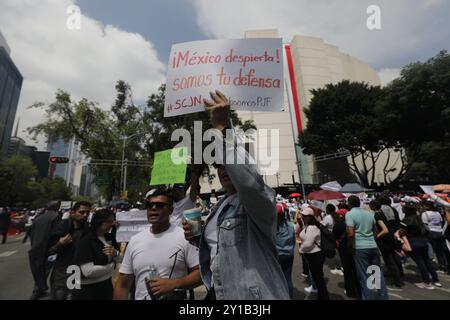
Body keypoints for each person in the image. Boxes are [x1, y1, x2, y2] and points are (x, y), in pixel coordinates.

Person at [182, 90, 290, 300]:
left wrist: (223, 126)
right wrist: (198, 236)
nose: (224, 169)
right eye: (219, 166)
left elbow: (248, 183)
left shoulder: (258, 199)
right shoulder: (220, 206)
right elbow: (221, 247)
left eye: (228, 164)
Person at [114, 188, 202, 300]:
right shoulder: (135, 240)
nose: (154, 208)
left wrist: (174, 284)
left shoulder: (185, 237)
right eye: (150, 205)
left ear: (171, 210)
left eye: (160, 205)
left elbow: (201, 273)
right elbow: (123, 284)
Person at [346, 195, 389, 300]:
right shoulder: (369, 213)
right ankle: (383, 297)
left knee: (364, 276)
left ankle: (368, 297)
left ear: (349, 203)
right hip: (373, 246)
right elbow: (375, 230)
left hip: (360, 247)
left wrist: (350, 244)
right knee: (377, 274)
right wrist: (371, 239)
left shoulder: (350, 214)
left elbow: (351, 233)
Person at [47, 201, 91, 300]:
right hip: (62, 276)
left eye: (87, 212)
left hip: (80, 275)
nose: (85, 215)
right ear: (73, 213)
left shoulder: (89, 230)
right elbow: (49, 251)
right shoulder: (61, 229)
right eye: (82, 212)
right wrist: (60, 244)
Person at [72, 209, 118, 300]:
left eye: (112, 221)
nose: (111, 224)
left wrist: (115, 253)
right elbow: (88, 271)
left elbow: (121, 258)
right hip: (88, 289)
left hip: (106, 286)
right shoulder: (87, 240)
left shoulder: (109, 237)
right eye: (108, 221)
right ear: (98, 222)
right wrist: (112, 266)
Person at [400, 204, 441, 289]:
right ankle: (436, 280)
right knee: (427, 261)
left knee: (420, 262)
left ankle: (426, 282)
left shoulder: (405, 220)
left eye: (403, 208)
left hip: (413, 242)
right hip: (423, 242)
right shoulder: (418, 218)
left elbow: (401, 232)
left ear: (406, 210)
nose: (402, 209)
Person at [28, 201, 61, 300]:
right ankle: (40, 291)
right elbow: (56, 233)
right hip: (48, 249)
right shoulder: (56, 217)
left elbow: (31, 233)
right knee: (49, 270)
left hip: (36, 248)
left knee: (40, 271)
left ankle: (38, 290)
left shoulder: (39, 217)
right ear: (56, 207)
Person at [370, 199, 404, 289]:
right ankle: (400, 273)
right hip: (393, 236)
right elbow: (397, 223)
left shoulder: (378, 214)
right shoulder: (392, 210)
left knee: (389, 260)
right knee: (394, 256)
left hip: (384, 239)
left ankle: (398, 281)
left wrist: (376, 236)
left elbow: (384, 229)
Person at [299, 207, 329, 300]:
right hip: (314, 255)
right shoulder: (310, 226)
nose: (302, 217)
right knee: (318, 278)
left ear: (310, 217)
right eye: (303, 215)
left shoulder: (312, 227)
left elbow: (308, 243)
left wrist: (301, 249)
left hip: (315, 255)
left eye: (305, 215)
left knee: (318, 278)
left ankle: (323, 297)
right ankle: (322, 296)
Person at [332, 205, 361, 299]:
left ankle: (350, 290)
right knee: (355, 269)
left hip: (344, 249)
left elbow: (334, 237)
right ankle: (358, 288)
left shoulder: (338, 225)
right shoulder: (351, 223)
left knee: (348, 270)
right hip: (354, 247)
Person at [275, 203, 295, 299]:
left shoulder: (271, 228)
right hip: (289, 254)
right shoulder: (290, 225)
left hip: (277, 256)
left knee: (277, 278)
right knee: (288, 278)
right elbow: (294, 241)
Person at [421, 202, 447, 271]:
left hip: (431, 232)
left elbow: (425, 224)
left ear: (427, 206)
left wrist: (429, 231)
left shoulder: (425, 214)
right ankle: (444, 264)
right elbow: (441, 222)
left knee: (433, 249)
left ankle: (437, 265)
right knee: (441, 250)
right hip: (440, 232)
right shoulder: (437, 213)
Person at [321, 204, 343, 276]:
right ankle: (341, 266)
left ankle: (338, 268)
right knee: (338, 252)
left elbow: (323, 226)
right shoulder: (338, 215)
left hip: (331, 237)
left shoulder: (327, 217)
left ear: (328, 210)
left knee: (335, 252)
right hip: (339, 236)